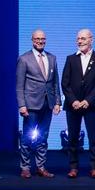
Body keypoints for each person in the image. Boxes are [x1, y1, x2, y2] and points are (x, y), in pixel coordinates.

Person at [61, 29, 95, 178]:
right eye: (78, 39)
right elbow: (65, 83)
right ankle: (73, 167)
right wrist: (73, 100)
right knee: (72, 138)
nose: (80, 41)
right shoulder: (70, 59)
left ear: (91, 40)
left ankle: (94, 167)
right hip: (73, 105)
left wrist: (88, 100)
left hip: (91, 106)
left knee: (93, 137)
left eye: (83, 38)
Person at [15, 29, 61, 178]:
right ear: (32, 40)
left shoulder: (52, 58)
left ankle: (41, 167)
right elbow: (19, 85)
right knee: (27, 138)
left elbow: (55, 83)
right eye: (37, 39)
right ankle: (25, 167)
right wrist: (21, 105)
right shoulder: (24, 59)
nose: (40, 41)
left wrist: (58, 102)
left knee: (43, 137)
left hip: (48, 104)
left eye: (42, 39)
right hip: (31, 105)